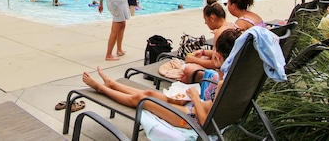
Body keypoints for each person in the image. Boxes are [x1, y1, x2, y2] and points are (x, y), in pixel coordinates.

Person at [81, 29, 242, 128]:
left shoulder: (222, 84)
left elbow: (205, 122)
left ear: (218, 58)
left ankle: (101, 88)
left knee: (142, 100)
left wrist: (195, 99)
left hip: (189, 119)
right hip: (193, 107)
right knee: (150, 94)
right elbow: (214, 107)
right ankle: (112, 84)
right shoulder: (237, 79)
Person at [185, 0, 237, 69]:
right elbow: (223, 53)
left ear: (212, 18)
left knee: (188, 69)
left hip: (224, 73)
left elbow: (214, 64)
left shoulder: (220, 33)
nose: (205, 23)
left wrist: (194, 60)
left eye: (205, 19)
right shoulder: (233, 26)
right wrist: (203, 52)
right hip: (233, 67)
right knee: (204, 58)